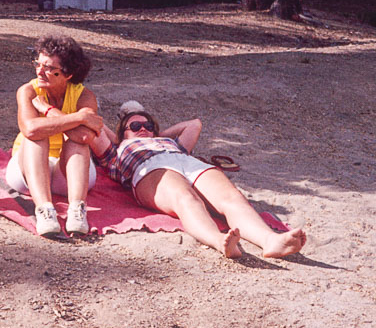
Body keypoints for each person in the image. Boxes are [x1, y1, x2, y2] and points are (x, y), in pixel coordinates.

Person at [92, 101, 307, 258]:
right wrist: (121, 138)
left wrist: (158, 135)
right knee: (185, 198)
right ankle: (219, 241)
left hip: (186, 162)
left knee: (233, 197)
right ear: (122, 133)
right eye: (135, 126)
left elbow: (194, 124)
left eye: (148, 126)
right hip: (148, 168)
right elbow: (93, 124)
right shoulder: (116, 152)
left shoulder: (171, 143)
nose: (143, 129)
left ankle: (269, 240)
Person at [7, 36, 103, 238]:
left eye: (49, 68)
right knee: (38, 135)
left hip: (68, 173)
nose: (40, 72)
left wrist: (48, 110)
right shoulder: (28, 91)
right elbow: (30, 129)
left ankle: (77, 208)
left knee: (77, 142)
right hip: (28, 170)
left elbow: (85, 136)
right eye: (38, 64)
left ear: (68, 74)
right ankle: (45, 210)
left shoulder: (84, 96)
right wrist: (78, 117)